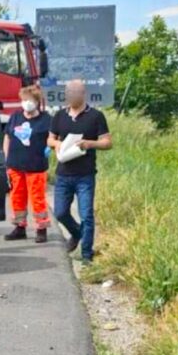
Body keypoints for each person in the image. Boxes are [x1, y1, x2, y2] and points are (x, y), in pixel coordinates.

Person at [48, 79, 113, 265]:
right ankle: (76, 233)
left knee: (86, 215)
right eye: (68, 94)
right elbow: (49, 140)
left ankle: (86, 254)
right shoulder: (59, 115)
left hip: (85, 174)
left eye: (74, 94)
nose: (71, 97)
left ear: (83, 94)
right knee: (60, 213)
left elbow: (107, 142)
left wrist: (89, 143)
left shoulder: (96, 116)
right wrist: (57, 143)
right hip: (63, 173)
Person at [3, 83, 52, 243]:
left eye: (30, 100)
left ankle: (41, 228)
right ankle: (20, 227)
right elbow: (7, 137)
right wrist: (7, 158)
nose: (26, 103)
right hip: (15, 165)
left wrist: (50, 148)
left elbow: (54, 137)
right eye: (24, 100)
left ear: (37, 101)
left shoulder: (46, 120)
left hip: (36, 166)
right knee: (17, 197)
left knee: (37, 198)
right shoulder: (15, 117)